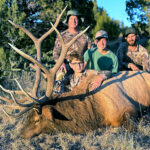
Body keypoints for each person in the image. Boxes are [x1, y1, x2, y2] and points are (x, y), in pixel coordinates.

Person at [53, 9, 91, 75]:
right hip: (66, 66)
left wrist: (85, 64)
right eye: (71, 19)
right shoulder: (61, 36)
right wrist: (61, 63)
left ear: (79, 21)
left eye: (75, 19)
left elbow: (91, 52)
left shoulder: (85, 36)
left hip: (81, 66)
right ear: (67, 21)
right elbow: (56, 53)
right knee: (59, 78)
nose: (73, 21)